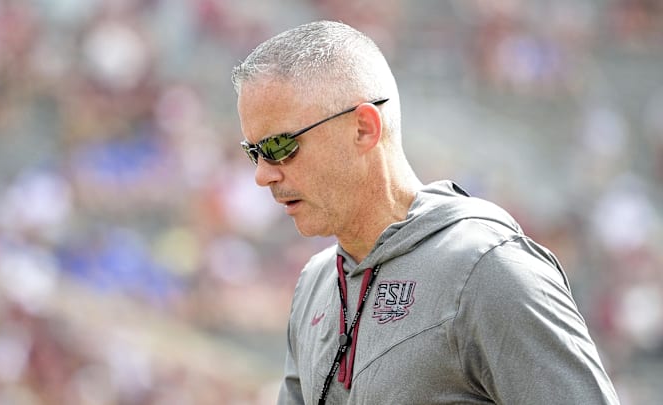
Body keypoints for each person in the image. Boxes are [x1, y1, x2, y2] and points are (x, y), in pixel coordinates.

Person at [232, 20, 619, 405]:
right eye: (254, 152)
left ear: (364, 128)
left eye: (280, 146)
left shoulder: (488, 269)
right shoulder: (314, 284)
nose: (263, 175)